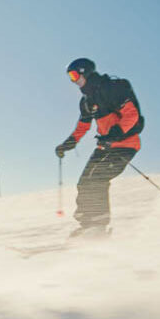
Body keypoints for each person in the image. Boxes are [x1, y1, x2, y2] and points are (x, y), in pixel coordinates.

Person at [55, 58, 143, 237]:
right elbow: (83, 127)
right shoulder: (87, 101)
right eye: (70, 78)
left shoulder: (111, 88)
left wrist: (116, 133)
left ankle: (98, 226)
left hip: (125, 144)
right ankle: (87, 225)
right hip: (105, 146)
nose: (73, 81)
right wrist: (67, 145)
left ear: (85, 72)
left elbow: (131, 114)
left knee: (97, 179)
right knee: (84, 182)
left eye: (74, 75)